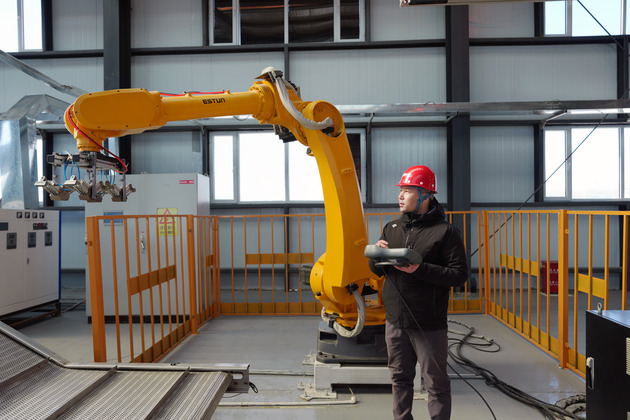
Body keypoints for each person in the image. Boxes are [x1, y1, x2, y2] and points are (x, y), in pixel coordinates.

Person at [368, 165, 468, 420]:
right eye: (400, 191)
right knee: (400, 379)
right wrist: (376, 256)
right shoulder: (392, 229)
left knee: (435, 383)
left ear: (425, 195)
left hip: (428, 323)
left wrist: (420, 269)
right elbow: (378, 272)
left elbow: (459, 275)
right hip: (396, 322)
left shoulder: (446, 232)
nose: (400, 196)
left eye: (407, 191)